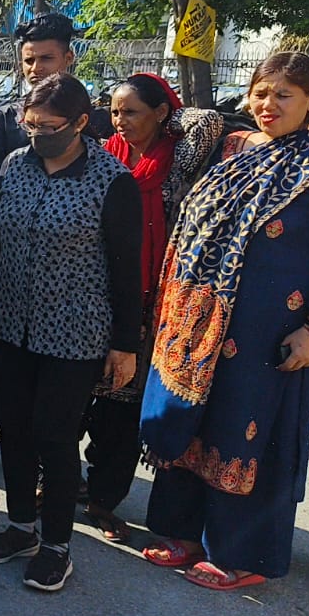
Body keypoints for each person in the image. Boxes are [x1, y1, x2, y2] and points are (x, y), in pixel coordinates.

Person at [139, 53, 309, 591]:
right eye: (261, 93)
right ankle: (184, 533)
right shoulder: (237, 152)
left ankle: (243, 556)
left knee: (249, 434)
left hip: (272, 334)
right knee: (194, 422)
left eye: (284, 95)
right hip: (202, 328)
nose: (268, 105)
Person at [0, 73, 142, 591]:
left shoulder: (112, 181)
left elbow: (128, 270)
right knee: (14, 429)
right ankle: (21, 527)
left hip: (76, 333)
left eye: (49, 126)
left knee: (54, 436)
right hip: (14, 322)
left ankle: (57, 543)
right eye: (29, 124)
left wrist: (125, 344)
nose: (37, 134)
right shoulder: (16, 167)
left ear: (82, 123)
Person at [0, 13, 111, 478]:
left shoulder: (94, 120)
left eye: (46, 58)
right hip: (12, 262)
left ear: (68, 57)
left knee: (63, 381)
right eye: (28, 61)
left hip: (74, 276)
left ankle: (57, 467)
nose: (36, 68)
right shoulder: (5, 121)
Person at [78, 74, 222, 541]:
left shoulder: (178, 160)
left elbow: (207, 121)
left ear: (161, 114)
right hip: (99, 293)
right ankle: (55, 484)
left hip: (153, 299)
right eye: (115, 112)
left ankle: (103, 500)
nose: (120, 121)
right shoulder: (103, 156)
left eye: (132, 111)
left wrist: (169, 112)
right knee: (77, 398)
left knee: (121, 408)